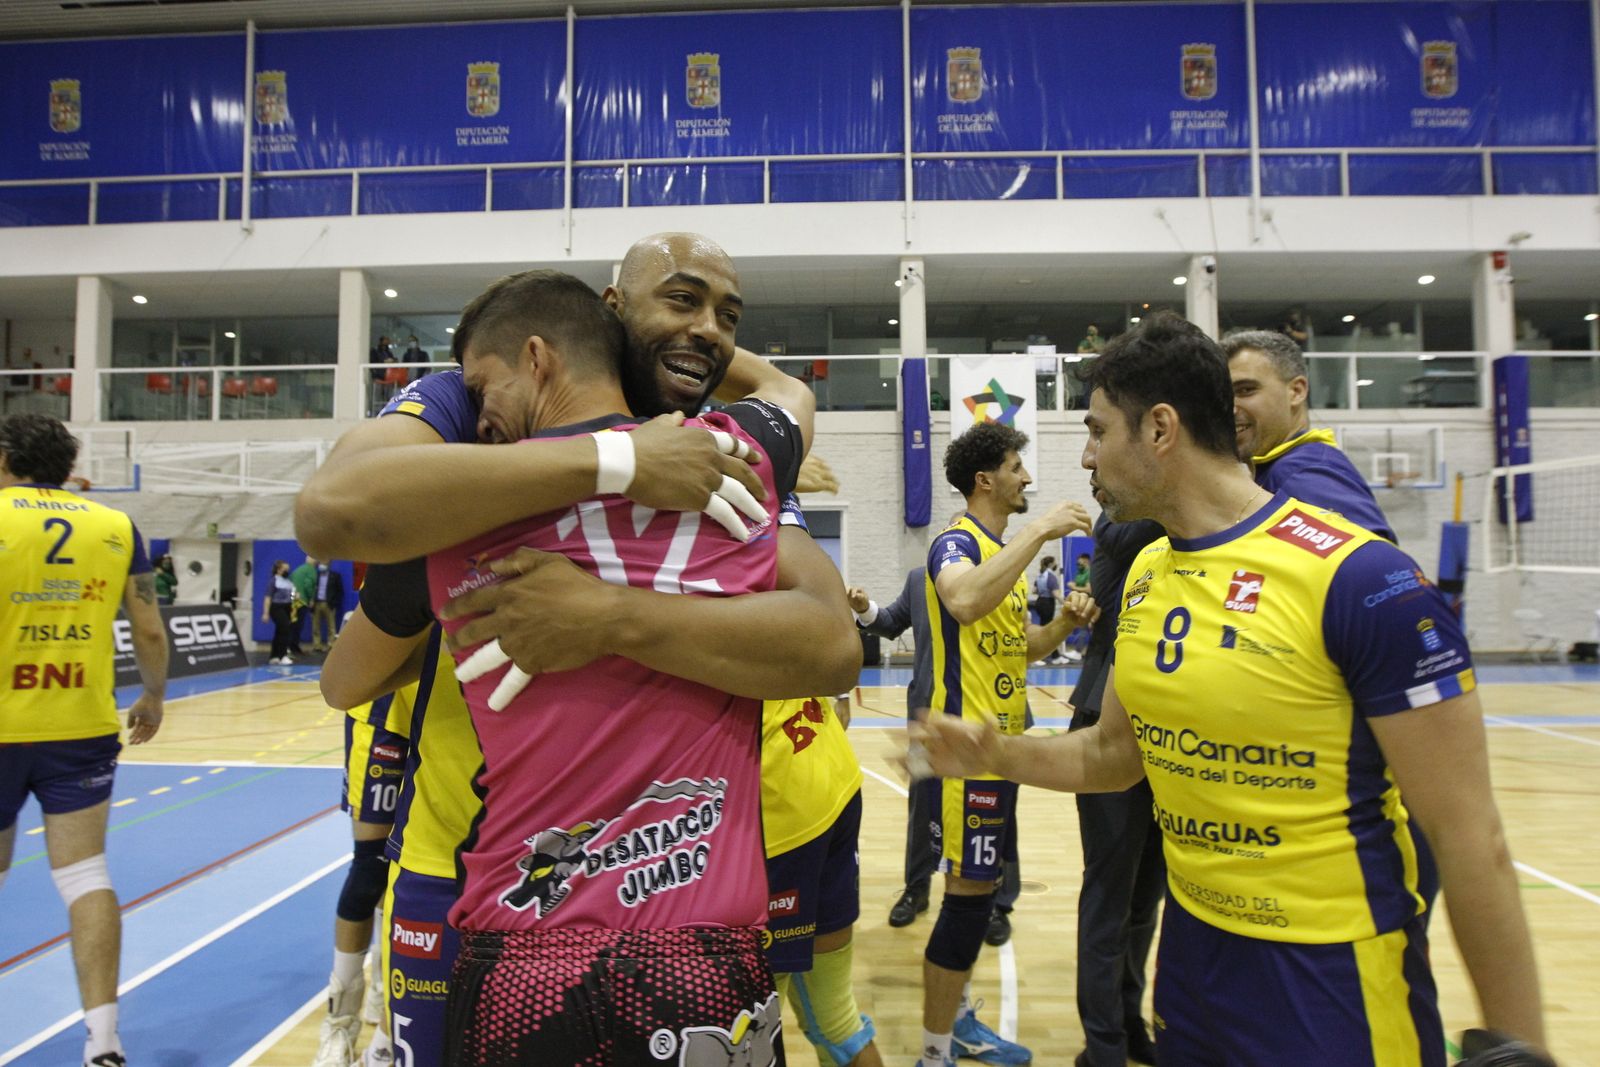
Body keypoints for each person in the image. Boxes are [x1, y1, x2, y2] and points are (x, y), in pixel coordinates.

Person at [914, 311, 1549, 1065]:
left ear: (1159, 429)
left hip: (1332, 981)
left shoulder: (1359, 579)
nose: (1086, 456)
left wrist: (1517, 1044)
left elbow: (1472, 837)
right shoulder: (1149, 573)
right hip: (1191, 967)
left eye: (1096, 430)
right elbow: (1115, 755)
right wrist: (995, 750)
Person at [308, 255, 858, 1064]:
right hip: (696, 938)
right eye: (680, 303)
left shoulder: (451, 509)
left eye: (724, 317)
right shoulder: (737, 457)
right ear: (603, 319)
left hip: (521, 939)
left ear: (535, 360)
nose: (706, 330)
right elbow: (791, 397)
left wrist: (604, 616)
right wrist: (623, 458)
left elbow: (342, 670)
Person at [913, 422, 1092, 1067]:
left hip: (1000, 754)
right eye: (1017, 466)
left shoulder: (1001, 559)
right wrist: (1041, 530)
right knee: (968, 899)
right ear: (985, 479)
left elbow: (1024, 648)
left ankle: (955, 1023)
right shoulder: (956, 545)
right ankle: (934, 1053)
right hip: (966, 756)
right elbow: (960, 601)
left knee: (975, 892)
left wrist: (1064, 623)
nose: (1027, 478)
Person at [0, 413, 168, 1067]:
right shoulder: (116, 526)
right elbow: (148, 627)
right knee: (84, 874)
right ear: (67, 466)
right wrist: (152, 695)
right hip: (81, 723)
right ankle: (103, 1041)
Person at [847, 551, 1026, 947]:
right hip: (931, 715)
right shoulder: (918, 578)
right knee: (922, 804)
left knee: (999, 810)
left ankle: (1000, 903)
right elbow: (891, 622)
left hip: (989, 718)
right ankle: (917, 888)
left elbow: (1021, 639)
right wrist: (865, 608)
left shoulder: (1001, 572)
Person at [1064, 512, 1164, 1067]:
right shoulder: (1125, 520)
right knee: (1109, 893)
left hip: (1166, 720)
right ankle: (1101, 1045)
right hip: (1107, 710)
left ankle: (1128, 1020)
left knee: (1147, 893)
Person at [315, 685, 415, 1067]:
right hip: (384, 714)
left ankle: (388, 1004)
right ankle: (339, 1025)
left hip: (445, 713)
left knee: (417, 869)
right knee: (372, 869)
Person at [1223, 329, 1395, 542]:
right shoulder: (1274, 469)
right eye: (1222, 395)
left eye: (1246, 390)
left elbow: (1380, 568)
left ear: (1296, 391)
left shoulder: (1300, 474)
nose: (1229, 408)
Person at [1031, 557, 1066, 665]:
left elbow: (1034, 591)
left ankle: (1051, 656)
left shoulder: (1040, 575)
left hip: (1040, 602)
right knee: (1048, 631)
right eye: (1055, 562)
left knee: (1044, 628)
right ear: (1051, 564)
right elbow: (1055, 594)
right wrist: (1064, 602)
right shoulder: (1051, 576)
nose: (1056, 564)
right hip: (1047, 603)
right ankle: (1053, 657)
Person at [260, 559, 297, 664]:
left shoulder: (289, 582)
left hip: (287, 607)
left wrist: (295, 597)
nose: (287, 571)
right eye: (285, 569)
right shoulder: (274, 581)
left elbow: (292, 594)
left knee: (280, 631)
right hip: (277, 607)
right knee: (285, 628)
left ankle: (274, 656)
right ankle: (282, 655)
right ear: (279, 570)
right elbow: (268, 597)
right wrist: (266, 613)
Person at [311, 560, 345, 652]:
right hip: (316, 603)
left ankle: (331, 645)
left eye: (324, 563)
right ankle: (317, 645)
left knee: (331, 627)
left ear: (329, 565)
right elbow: (311, 588)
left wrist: (334, 603)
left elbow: (340, 591)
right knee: (316, 626)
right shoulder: (315, 575)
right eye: (321, 563)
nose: (322, 565)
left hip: (329, 604)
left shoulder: (335, 576)